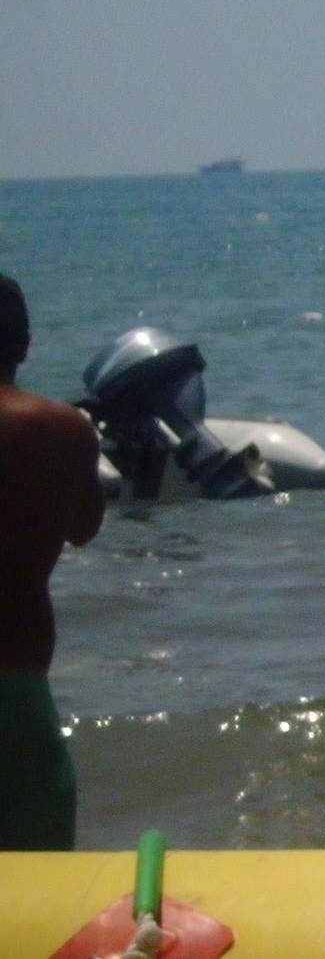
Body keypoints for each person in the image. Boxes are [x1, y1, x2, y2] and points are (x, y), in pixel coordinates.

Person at [0, 272, 105, 850]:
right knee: (39, 878)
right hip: (19, 687)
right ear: (24, 346)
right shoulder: (64, 429)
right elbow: (85, 528)